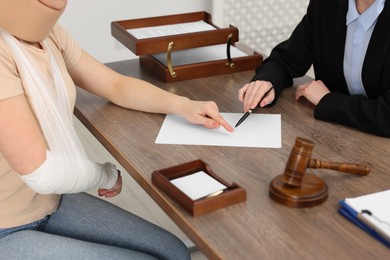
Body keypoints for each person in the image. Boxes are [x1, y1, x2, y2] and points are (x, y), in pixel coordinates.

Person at [0, 0, 233, 259]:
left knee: (174, 251)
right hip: (6, 226)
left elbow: (114, 84)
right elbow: (42, 171)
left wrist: (184, 106)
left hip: (50, 201)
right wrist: (106, 175)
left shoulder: (48, 34)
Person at [238, 0, 390, 137]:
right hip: (333, 135)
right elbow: (286, 58)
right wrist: (267, 81)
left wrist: (328, 101)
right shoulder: (326, 4)